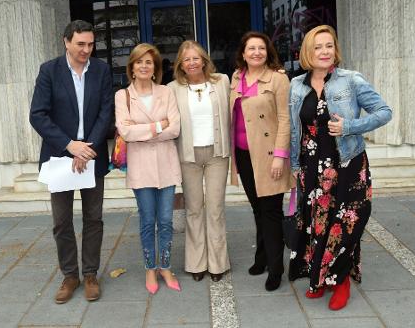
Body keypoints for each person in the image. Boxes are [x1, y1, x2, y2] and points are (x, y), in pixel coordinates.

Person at [288, 25, 392, 310]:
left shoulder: (351, 80)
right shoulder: (297, 85)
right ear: (307, 52)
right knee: (318, 222)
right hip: (313, 166)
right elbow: (293, 127)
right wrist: (295, 164)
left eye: (329, 46)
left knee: (347, 221)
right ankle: (319, 279)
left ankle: (341, 280)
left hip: (347, 162)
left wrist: (350, 126)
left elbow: (384, 112)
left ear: (335, 50)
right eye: (318, 46)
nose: (324, 51)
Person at [29, 20, 113, 304]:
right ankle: (70, 276)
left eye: (90, 44)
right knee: (61, 222)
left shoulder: (100, 70)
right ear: (66, 41)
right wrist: (70, 145)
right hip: (59, 157)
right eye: (80, 44)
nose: (86, 50)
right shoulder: (49, 71)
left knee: (94, 219)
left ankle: (90, 275)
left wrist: (86, 148)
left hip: (91, 155)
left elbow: (106, 111)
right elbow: (38, 115)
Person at [115, 43, 182, 294]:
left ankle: (165, 266)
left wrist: (142, 129)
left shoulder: (166, 92)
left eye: (149, 62)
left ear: (155, 68)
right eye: (139, 62)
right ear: (131, 67)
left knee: (165, 220)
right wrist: (157, 127)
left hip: (166, 164)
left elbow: (175, 128)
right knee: (147, 221)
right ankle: (149, 268)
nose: (144, 66)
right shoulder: (123, 96)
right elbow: (126, 132)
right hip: (141, 168)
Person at [229, 31, 292, 291]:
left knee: (271, 212)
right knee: (257, 209)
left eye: (261, 48)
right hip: (243, 154)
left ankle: (276, 269)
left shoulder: (278, 79)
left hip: (268, 156)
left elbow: (285, 119)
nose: (256, 52)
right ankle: (262, 258)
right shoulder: (236, 77)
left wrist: (280, 156)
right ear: (243, 53)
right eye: (251, 48)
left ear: (268, 52)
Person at [168, 40, 231, 283]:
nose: (192, 63)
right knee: (194, 209)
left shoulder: (221, 81)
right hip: (188, 155)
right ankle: (196, 262)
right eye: (187, 59)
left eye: (196, 58)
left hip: (217, 154)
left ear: (204, 60)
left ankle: (217, 262)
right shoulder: (172, 88)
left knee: (215, 209)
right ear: (181, 65)